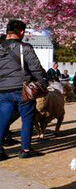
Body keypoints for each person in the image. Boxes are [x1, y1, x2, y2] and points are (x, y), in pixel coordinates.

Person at [0, 19, 49, 160]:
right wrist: (42, 82)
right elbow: (36, 69)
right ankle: (26, 150)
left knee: (2, 119)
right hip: (23, 89)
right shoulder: (25, 48)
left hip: (2, 90)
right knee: (27, 119)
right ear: (21, 32)